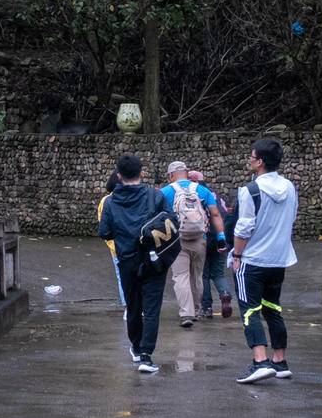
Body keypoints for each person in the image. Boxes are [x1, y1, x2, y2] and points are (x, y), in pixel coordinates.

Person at [96, 153, 175, 374]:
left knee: (133, 305)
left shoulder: (110, 202)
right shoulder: (156, 196)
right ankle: (147, 357)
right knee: (151, 308)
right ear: (142, 172)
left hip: (127, 260)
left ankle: (136, 348)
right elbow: (171, 221)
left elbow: (105, 232)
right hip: (154, 259)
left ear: (119, 175)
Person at [231, 136, 300, 383]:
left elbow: (244, 228)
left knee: (249, 309)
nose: (249, 160)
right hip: (278, 260)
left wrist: (236, 255)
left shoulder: (250, 190)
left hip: (252, 260)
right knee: (273, 308)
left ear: (259, 162)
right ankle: (279, 360)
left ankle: (260, 361)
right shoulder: (289, 187)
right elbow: (292, 217)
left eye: (252, 157)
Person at [159, 159, 227, 329]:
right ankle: (196, 310)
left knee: (181, 276)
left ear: (171, 175)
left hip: (177, 240)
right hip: (200, 238)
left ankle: (186, 313)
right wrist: (221, 237)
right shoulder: (203, 190)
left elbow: (157, 217)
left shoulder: (165, 192)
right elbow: (215, 214)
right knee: (196, 275)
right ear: (186, 173)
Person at [194, 172, 236, 320]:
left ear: (194, 181)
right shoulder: (217, 195)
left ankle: (207, 308)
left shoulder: (194, 196)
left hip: (204, 239)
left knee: (203, 275)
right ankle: (225, 294)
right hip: (221, 239)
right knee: (218, 274)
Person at [96, 171, 126, 309]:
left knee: (122, 276)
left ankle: (127, 306)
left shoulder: (106, 201)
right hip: (132, 245)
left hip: (115, 246)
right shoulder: (133, 197)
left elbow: (103, 226)